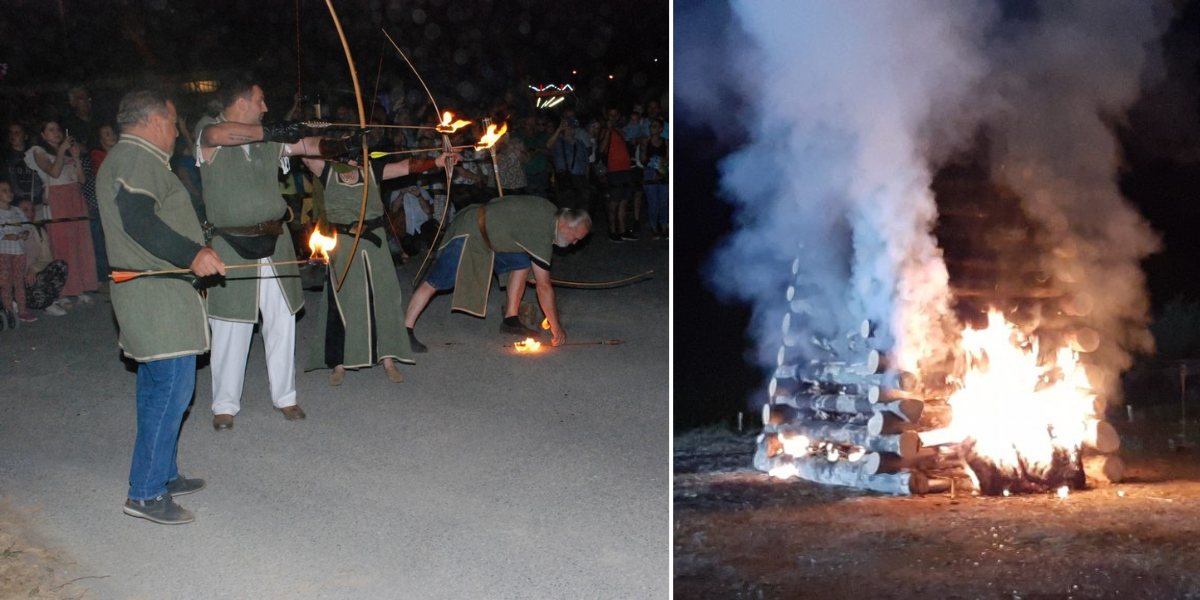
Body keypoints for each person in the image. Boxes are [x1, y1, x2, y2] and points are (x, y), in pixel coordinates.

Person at [196, 76, 358, 431]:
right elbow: (218, 137)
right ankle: (224, 404)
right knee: (230, 324)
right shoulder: (208, 130)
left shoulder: (266, 139)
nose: (266, 107)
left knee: (282, 320)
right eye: (260, 100)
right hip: (231, 243)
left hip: (275, 238)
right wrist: (275, 131)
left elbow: (302, 145)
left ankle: (285, 397)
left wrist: (338, 143)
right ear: (241, 102)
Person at [96, 89, 227, 525]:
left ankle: (162, 474)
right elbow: (138, 218)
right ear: (154, 121)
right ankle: (146, 494)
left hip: (155, 293)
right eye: (173, 123)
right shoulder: (136, 157)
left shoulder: (130, 157)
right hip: (156, 297)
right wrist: (192, 253)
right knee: (171, 394)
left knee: (158, 391)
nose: (176, 132)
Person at [300, 150, 456, 385]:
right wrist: (314, 131)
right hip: (342, 243)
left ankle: (388, 359)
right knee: (342, 299)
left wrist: (435, 161)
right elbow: (304, 151)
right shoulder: (327, 170)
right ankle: (339, 362)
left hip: (375, 242)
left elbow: (406, 166)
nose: (356, 150)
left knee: (383, 297)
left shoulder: (371, 169)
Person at [403, 195, 591, 351]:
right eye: (575, 238)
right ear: (565, 227)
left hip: (492, 235)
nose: (574, 244)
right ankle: (405, 332)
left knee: (521, 262)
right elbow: (544, 287)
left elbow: (520, 231)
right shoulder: (543, 233)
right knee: (436, 282)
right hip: (471, 230)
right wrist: (556, 328)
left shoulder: (552, 212)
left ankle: (511, 320)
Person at [25, 119, 99, 305]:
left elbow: (82, 180)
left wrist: (75, 158)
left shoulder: (65, 152)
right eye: (50, 130)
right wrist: (61, 150)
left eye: (57, 129)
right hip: (58, 200)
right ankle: (62, 291)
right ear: (42, 134)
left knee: (81, 243)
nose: (56, 133)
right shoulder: (38, 151)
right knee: (62, 246)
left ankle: (80, 287)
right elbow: (54, 172)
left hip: (76, 197)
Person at [15, 198, 68, 316]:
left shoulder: (38, 230)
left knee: (60, 265)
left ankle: (48, 303)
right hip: (15, 280)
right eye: (25, 210)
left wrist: (33, 268)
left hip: (32, 277)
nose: (31, 213)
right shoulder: (9, 231)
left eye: (32, 210)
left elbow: (47, 257)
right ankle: (14, 302)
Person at [0, 181, 35, 328]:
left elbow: (26, 223)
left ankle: (22, 309)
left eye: (10, 189)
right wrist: (6, 236)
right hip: (4, 252)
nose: (9, 193)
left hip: (19, 251)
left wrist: (26, 231)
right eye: (4, 190)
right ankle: (9, 311)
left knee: (19, 281)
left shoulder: (17, 211)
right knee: (5, 283)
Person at [641, 118, 669, 239]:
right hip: (649, 172)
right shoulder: (645, 141)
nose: (652, 128)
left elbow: (668, 158)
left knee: (664, 202)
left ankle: (664, 227)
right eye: (651, 126)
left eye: (655, 126)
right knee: (653, 203)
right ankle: (654, 228)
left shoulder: (666, 142)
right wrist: (653, 166)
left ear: (661, 129)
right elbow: (643, 159)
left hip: (662, 172)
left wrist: (660, 168)